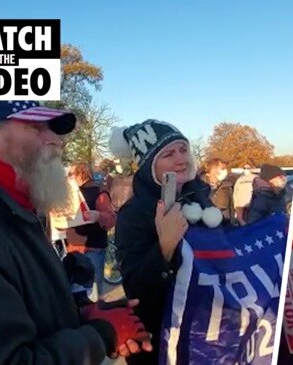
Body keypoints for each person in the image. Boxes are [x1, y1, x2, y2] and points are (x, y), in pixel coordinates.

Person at [0, 101, 151, 364]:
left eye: (53, 129)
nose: (57, 140)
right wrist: (101, 334)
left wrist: (79, 311)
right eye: (36, 127)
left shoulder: (6, 203)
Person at [111, 119, 218, 365]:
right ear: (150, 166)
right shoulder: (134, 214)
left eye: (183, 149)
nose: (181, 159)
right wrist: (164, 248)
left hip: (207, 337)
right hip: (160, 342)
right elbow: (137, 293)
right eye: (168, 154)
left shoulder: (203, 202)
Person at [66, 162, 117, 301]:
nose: (70, 177)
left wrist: (98, 216)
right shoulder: (71, 193)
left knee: (92, 292)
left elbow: (112, 219)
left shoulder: (99, 193)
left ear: (80, 174)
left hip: (92, 249)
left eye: (72, 174)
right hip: (74, 249)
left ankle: (95, 318)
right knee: (76, 292)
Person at [200, 157, 235, 222]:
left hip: (225, 225)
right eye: (222, 169)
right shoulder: (199, 187)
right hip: (206, 225)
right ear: (213, 170)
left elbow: (231, 208)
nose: (225, 171)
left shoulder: (227, 186)